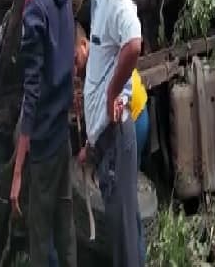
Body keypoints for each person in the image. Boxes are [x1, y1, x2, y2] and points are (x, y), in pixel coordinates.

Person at [8, 0, 77, 267]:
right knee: (66, 230)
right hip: (63, 133)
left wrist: (18, 171)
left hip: (46, 143)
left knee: (39, 238)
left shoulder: (35, 4)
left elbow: (32, 92)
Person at [76, 0, 143, 267]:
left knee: (124, 242)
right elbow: (102, 64)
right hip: (105, 141)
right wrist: (89, 144)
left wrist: (111, 93)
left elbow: (134, 43)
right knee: (120, 239)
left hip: (117, 137)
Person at [73, 23, 148, 263]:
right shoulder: (95, 55)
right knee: (128, 208)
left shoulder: (98, 64)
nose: (74, 69)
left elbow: (105, 116)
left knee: (121, 210)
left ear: (83, 45)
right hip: (134, 116)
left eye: (74, 60)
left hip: (131, 121)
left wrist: (89, 148)